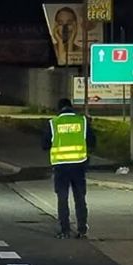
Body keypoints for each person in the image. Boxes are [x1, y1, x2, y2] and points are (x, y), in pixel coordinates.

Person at [41, 98, 96, 239]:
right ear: (71, 108)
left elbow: (45, 145)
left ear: (59, 109)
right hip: (79, 165)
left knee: (62, 198)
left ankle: (65, 230)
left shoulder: (53, 123)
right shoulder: (82, 121)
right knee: (80, 198)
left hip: (60, 167)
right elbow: (92, 141)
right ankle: (82, 229)